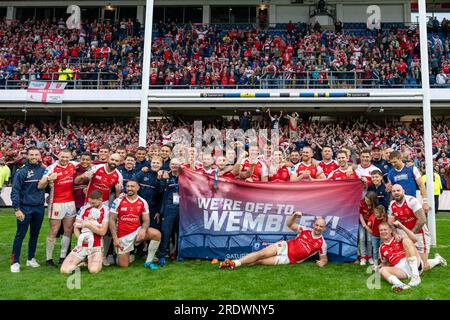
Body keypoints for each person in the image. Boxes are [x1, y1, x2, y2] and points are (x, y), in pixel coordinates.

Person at [219, 211, 327, 269]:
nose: (318, 228)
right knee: (261, 253)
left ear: (324, 228)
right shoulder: (305, 230)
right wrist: (294, 216)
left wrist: (322, 263)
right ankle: (234, 263)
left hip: (289, 259)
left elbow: (324, 258)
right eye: (316, 225)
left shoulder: (322, 244)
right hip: (285, 246)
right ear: (314, 224)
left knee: (260, 261)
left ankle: (230, 264)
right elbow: (289, 224)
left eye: (321, 226)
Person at [388, 184, 446, 272]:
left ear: (403, 191)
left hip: (420, 233)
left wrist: (410, 234)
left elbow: (422, 219)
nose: (396, 193)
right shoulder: (392, 205)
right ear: (391, 193)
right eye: (394, 191)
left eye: (398, 190)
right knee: (410, 262)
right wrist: (395, 233)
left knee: (423, 266)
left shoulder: (412, 201)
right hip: (405, 233)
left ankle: (438, 260)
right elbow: (390, 222)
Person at [38, 149, 78, 267]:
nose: (64, 159)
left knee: (68, 229)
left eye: (67, 157)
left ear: (71, 157)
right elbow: (40, 185)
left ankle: (62, 257)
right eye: (62, 157)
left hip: (70, 203)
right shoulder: (51, 168)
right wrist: (48, 179)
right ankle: (49, 259)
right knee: (54, 230)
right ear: (58, 156)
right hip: (56, 203)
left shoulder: (74, 165)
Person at [109, 180, 161, 269]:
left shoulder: (142, 202)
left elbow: (146, 220)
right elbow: (111, 220)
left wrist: (143, 230)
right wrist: (115, 238)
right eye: (128, 186)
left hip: (136, 232)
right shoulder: (118, 201)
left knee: (156, 234)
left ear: (138, 188)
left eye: (132, 186)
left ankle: (148, 261)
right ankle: (118, 256)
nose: (129, 188)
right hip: (122, 235)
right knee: (123, 265)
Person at [10, 147, 46, 273]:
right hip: (24, 208)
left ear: (40, 156)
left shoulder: (44, 170)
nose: (34, 157)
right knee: (20, 235)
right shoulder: (21, 171)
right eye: (31, 155)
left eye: (36, 154)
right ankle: (15, 262)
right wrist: (17, 209)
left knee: (34, 235)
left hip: (39, 208)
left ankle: (31, 258)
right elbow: (15, 191)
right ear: (27, 156)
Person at [60, 190, 109, 274]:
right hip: (81, 245)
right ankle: (82, 261)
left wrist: (88, 225)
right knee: (64, 270)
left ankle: (89, 261)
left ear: (100, 200)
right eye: (90, 203)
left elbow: (103, 232)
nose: (91, 205)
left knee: (93, 270)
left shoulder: (106, 210)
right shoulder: (84, 208)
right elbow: (75, 227)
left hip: (96, 246)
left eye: (93, 203)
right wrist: (80, 238)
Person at [378, 221, 424, 292]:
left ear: (390, 231)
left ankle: (416, 276)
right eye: (381, 230)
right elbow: (386, 263)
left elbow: (415, 239)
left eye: (385, 229)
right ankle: (401, 285)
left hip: (409, 261)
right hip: (400, 269)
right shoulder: (381, 248)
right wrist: (380, 265)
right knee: (382, 270)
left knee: (406, 240)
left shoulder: (398, 238)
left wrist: (402, 226)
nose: (383, 232)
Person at [158, 158, 182, 266]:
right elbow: (160, 191)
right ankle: (162, 255)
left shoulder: (184, 177)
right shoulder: (165, 175)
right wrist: (163, 180)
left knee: (180, 232)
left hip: (182, 207)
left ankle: (179, 253)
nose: (174, 166)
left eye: (177, 164)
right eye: (172, 164)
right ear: (169, 165)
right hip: (169, 207)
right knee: (166, 232)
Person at [135, 156, 163, 229]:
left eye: (158, 163)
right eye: (153, 162)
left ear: (161, 165)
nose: (155, 164)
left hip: (153, 209)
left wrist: (158, 211)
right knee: (137, 229)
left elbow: (161, 194)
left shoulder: (163, 176)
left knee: (151, 230)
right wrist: (141, 172)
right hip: (138, 206)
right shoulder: (144, 172)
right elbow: (133, 181)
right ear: (150, 163)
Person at [358, 191, 378, 266]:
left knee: (370, 239)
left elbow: (374, 215)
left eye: (368, 201)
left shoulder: (375, 205)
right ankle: (363, 257)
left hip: (371, 224)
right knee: (362, 238)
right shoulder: (362, 203)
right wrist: (364, 225)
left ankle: (369, 256)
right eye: (366, 200)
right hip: (362, 223)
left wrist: (369, 224)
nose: (366, 202)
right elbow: (360, 214)